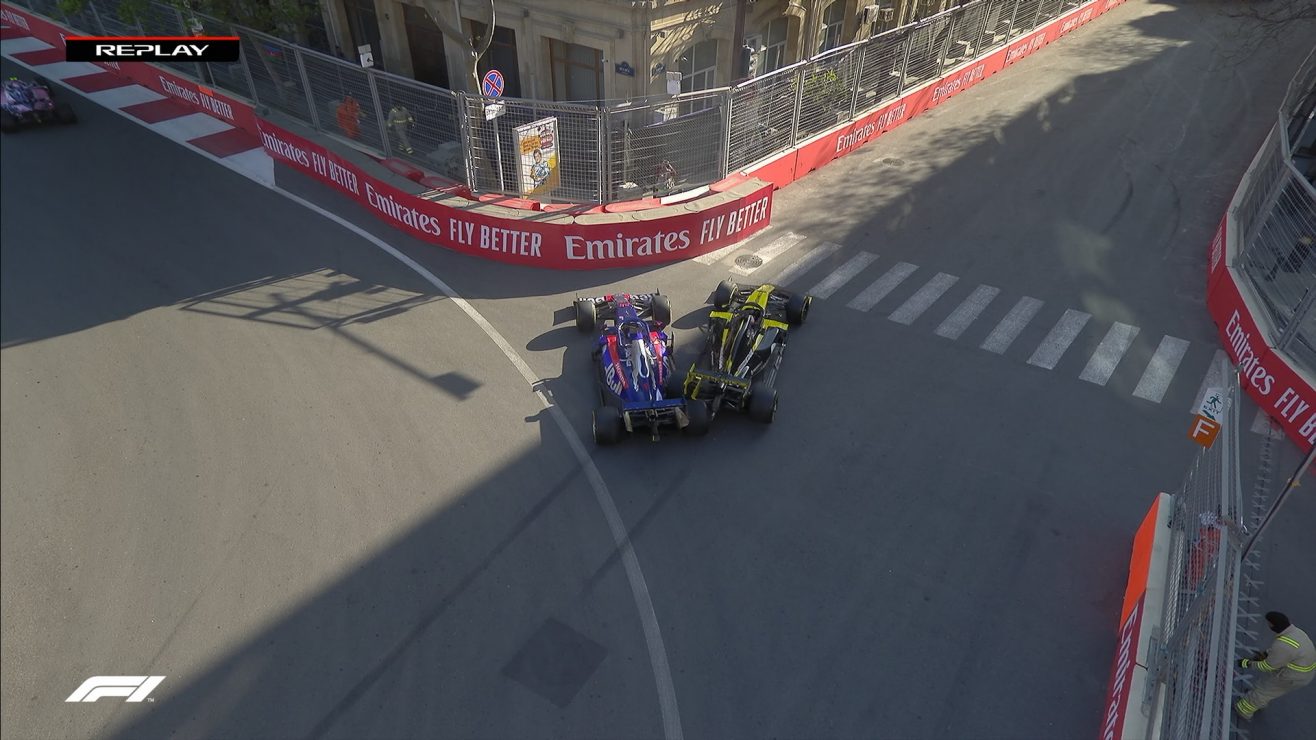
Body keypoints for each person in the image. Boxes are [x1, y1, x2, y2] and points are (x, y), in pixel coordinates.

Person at [1236, 611, 1316, 719]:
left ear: (1273, 625)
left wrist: (1247, 663)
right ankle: (1257, 701)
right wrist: (1267, 654)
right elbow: (1284, 653)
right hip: (1303, 673)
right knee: (1270, 690)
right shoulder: (1296, 632)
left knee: (1264, 690)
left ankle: (1243, 710)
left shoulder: (1283, 645)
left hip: (1290, 677)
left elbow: (1267, 666)